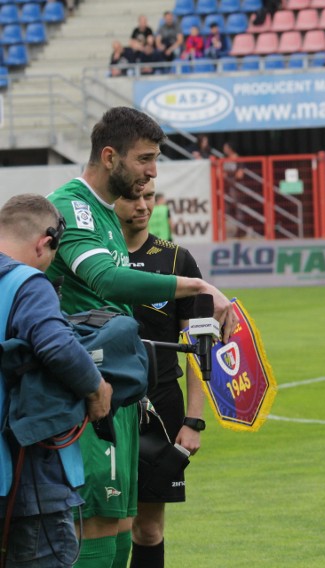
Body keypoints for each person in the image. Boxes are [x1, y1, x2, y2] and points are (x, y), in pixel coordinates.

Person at [46, 106, 237, 568]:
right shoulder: (72, 206)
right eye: (146, 158)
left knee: (122, 526)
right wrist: (198, 286)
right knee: (92, 523)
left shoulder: (108, 216)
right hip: (82, 392)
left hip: (119, 391)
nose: (153, 172)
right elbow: (107, 280)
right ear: (110, 157)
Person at [0, 195, 112, 568]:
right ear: (44, 243)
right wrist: (97, 389)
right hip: (26, 480)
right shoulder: (27, 282)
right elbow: (56, 345)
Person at [114, 181, 206, 568]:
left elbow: (199, 349)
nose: (142, 205)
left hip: (162, 409)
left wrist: (194, 420)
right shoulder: (93, 258)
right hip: (105, 406)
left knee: (148, 528)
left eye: (149, 197)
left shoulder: (177, 260)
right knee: (104, 522)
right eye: (132, 197)